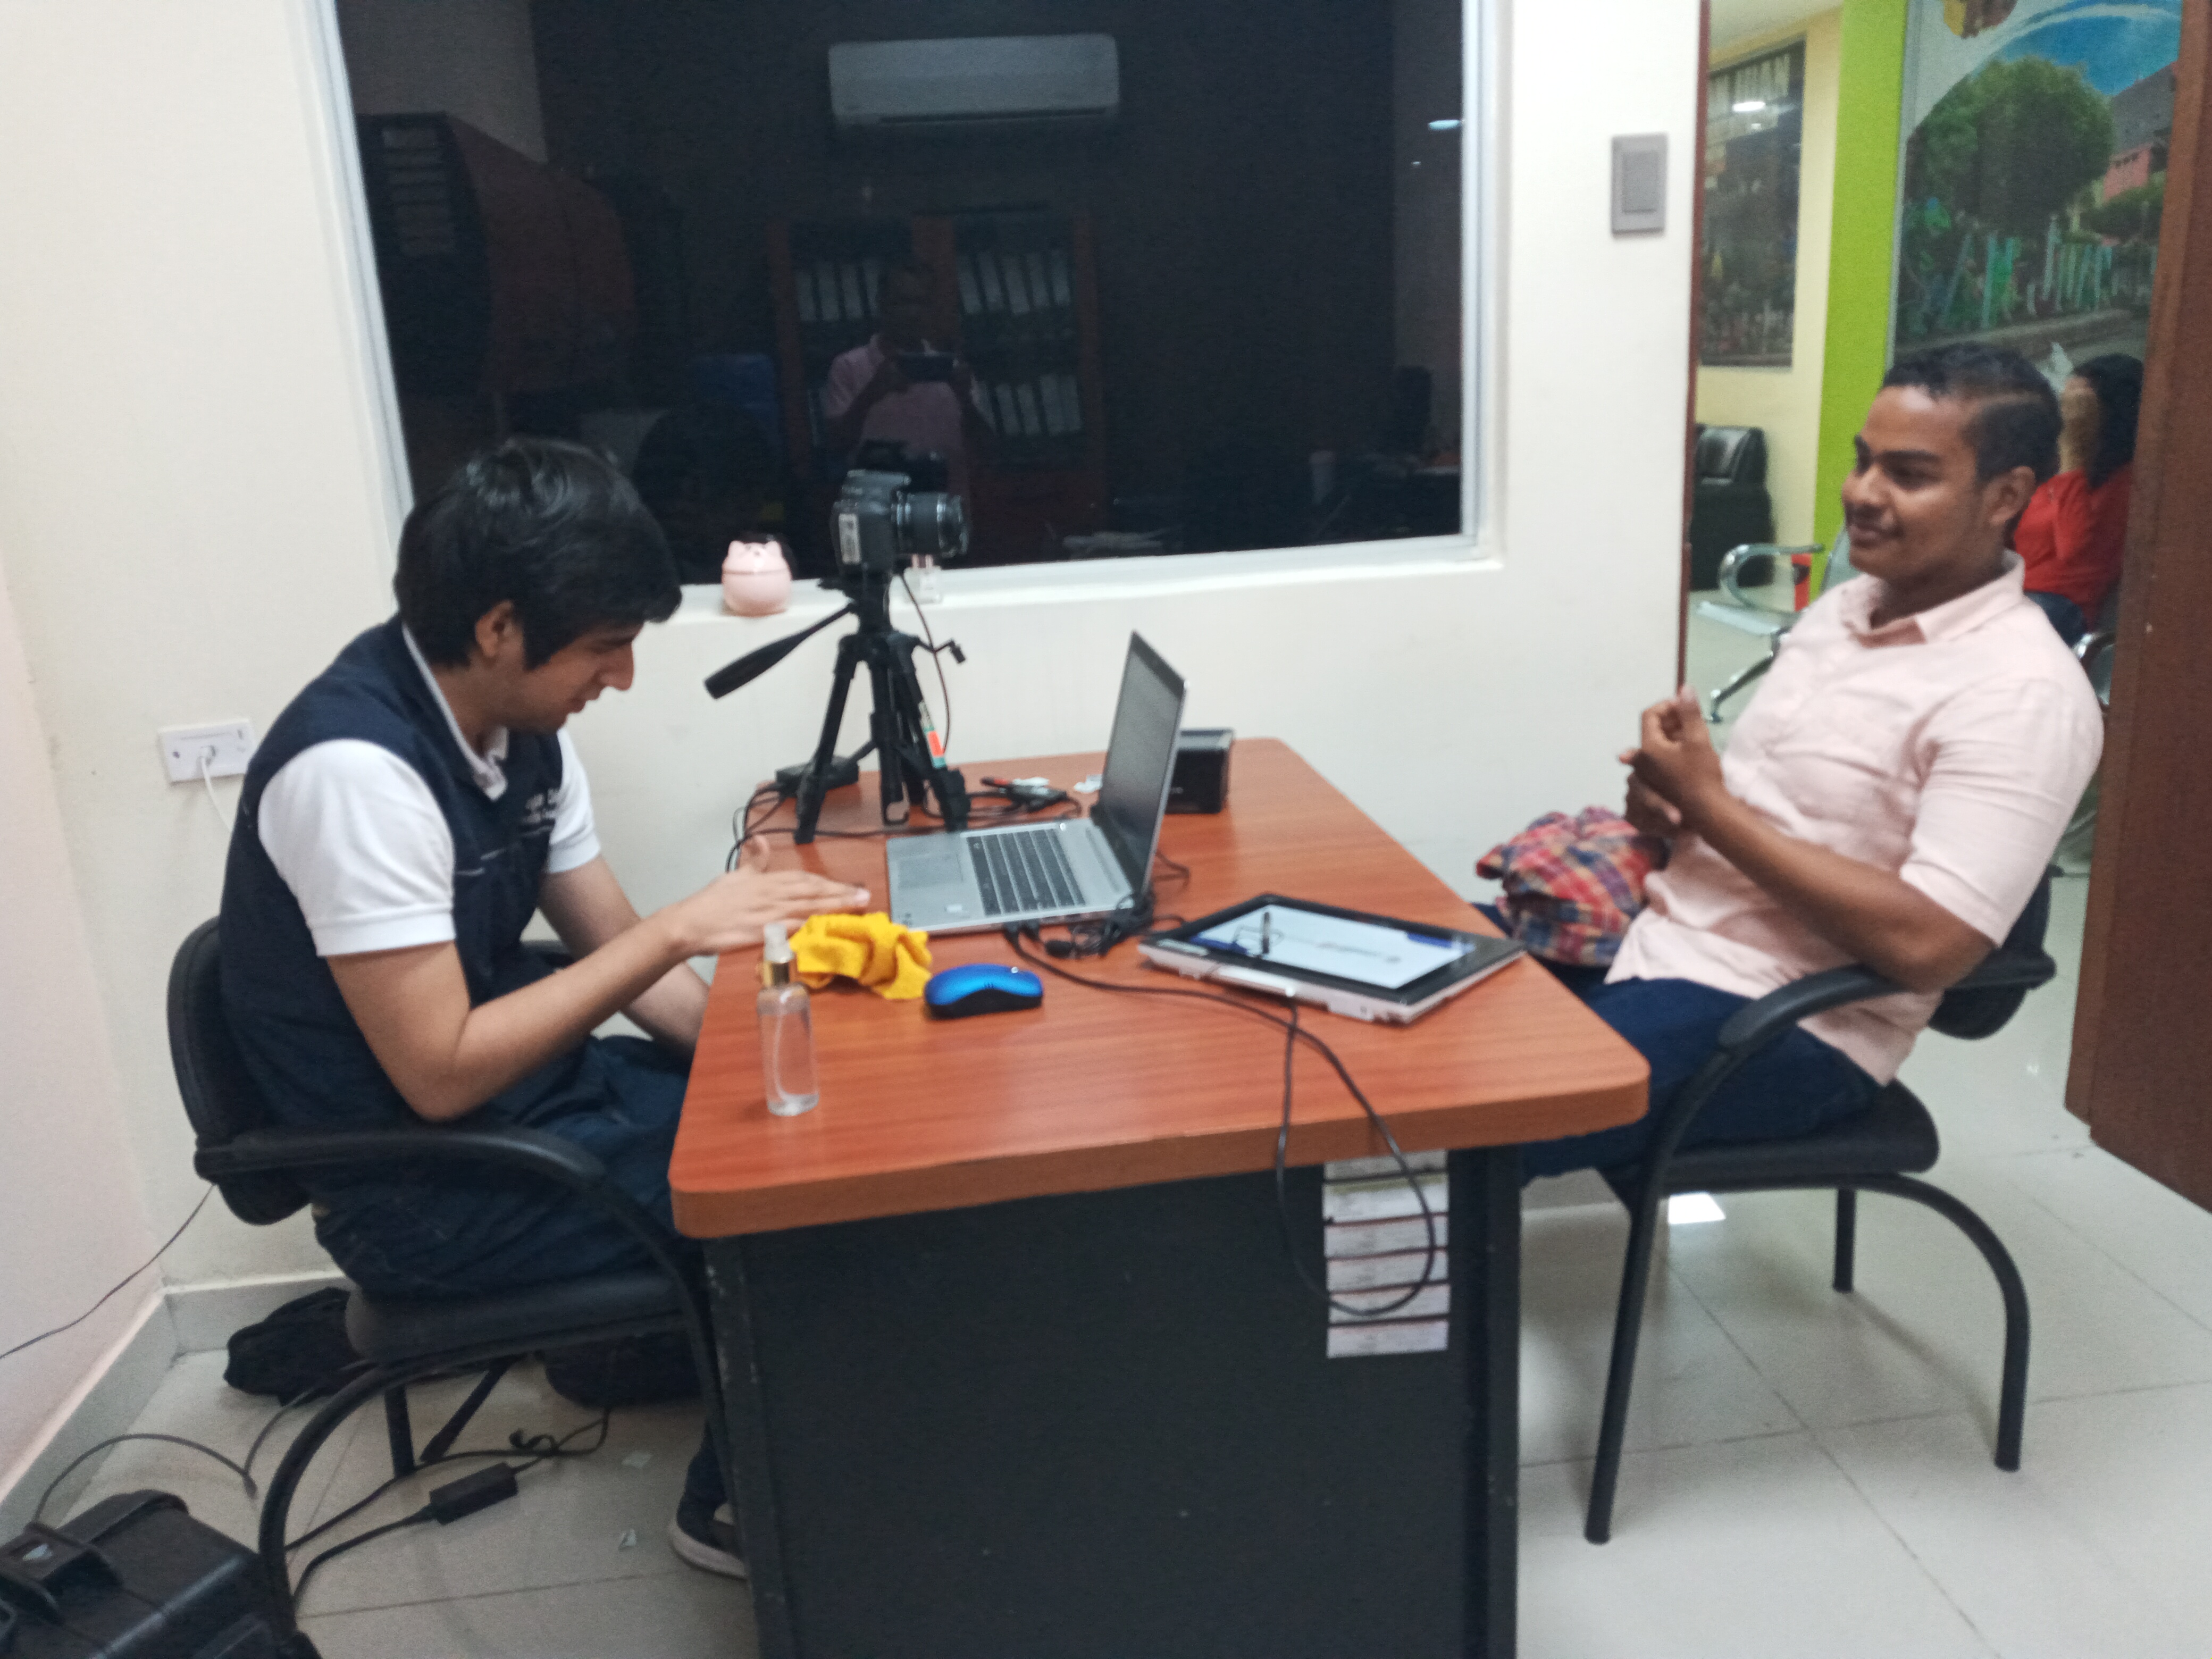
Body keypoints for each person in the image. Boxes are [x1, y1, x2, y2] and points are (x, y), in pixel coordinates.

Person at [219, 439, 867, 1577]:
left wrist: (763, 1053)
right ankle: (727, 1509)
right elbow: (439, 1075)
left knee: (805, 1133)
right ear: (498, 627)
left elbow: (617, 947)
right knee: (786, 1209)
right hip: (425, 1189)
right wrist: (684, 927)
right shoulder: (357, 776)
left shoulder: (524, 741)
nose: (622, 677)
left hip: (532, 1109)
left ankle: (742, 1372)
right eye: (606, 646)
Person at [1516, 342, 2104, 1179]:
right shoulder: (1844, 611)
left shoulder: (2022, 691)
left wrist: (1709, 806)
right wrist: (1668, 808)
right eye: (1864, 461)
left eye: (1909, 475)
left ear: (2006, 496)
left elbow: (1931, 947)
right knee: (1388, 1003)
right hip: (1651, 935)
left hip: (1788, 1018)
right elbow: (1777, 819)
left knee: (1472, 1106)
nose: (1862, 492)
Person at [820, 258, 992, 505]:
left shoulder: (952, 372)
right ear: (882, 305)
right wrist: (871, 394)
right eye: (903, 302)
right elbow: (836, 447)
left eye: (922, 303)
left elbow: (986, 454)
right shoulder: (849, 367)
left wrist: (966, 402)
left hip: (943, 512)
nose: (913, 313)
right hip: (876, 512)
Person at [2015, 353, 2141, 646]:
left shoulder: (2128, 480)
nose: (2067, 415)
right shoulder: (2051, 466)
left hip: (2059, 603)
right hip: (2011, 591)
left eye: (2079, 407)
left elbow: (2073, 548)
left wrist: (2073, 450)